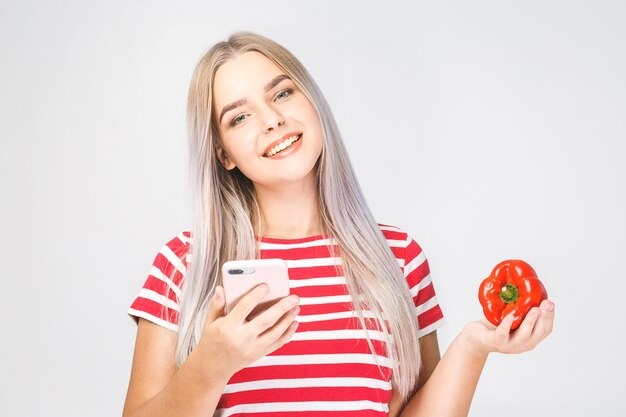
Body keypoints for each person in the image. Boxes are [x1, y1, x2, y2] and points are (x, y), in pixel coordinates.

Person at [122, 31, 555, 417]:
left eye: (282, 94)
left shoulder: (398, 258)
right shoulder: (185, 264)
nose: (272, 119)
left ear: (313, 102)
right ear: (224, 155)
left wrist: (475, 345)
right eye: (240, 117)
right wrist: (209, 365)